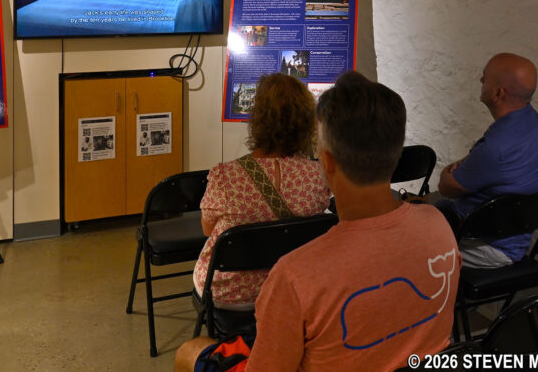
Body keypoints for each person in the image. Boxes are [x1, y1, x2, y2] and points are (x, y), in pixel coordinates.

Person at [176, 71, 460, 372]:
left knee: (189, 351)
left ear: (327, 162)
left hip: (241, 307)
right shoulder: (439, 225)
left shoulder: (296, 276)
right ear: (396, 153)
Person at [192, 73, 330, 310]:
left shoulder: (225, 176)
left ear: (257, 120)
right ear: (306, 123)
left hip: (230, 294)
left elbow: (207, 230)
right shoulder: (318, 175)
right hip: (293, 289)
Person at [437, 53, 538, 269]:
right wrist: (473, 160)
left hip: (488, 246)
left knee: (408, 240)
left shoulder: (496, 147)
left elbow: (447, 188)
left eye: (485, 78)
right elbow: (487, 160)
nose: (480, 81)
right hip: (516, 235)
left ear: (498, 93)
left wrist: (446, 172)